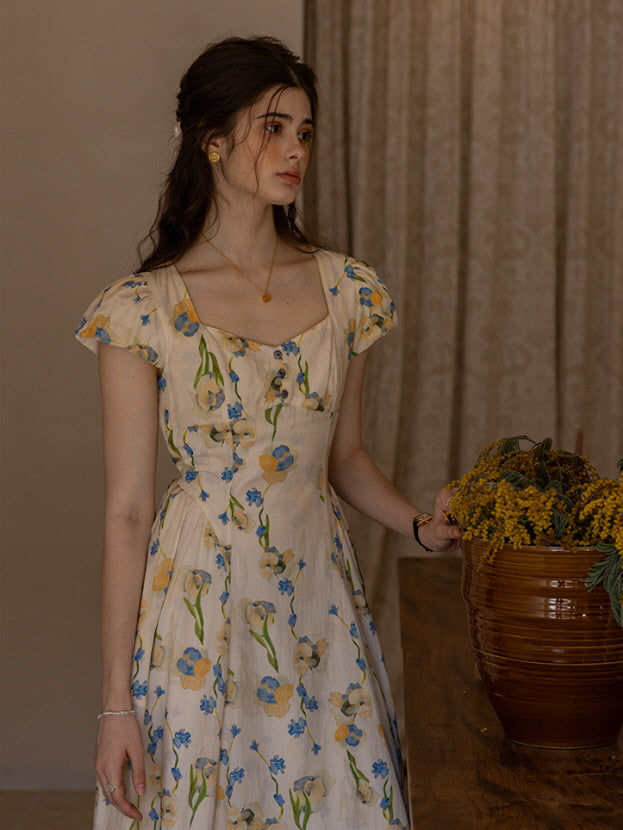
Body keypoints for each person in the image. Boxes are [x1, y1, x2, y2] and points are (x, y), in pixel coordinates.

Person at [76, 35, 460, 830]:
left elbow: (342, 459)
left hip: (315, 603)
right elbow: (126, 509)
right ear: (210, 140)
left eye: (305, 132)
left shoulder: (348, 290)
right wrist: (115, 704)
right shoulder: (140, 310)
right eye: (272, 127)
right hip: (195, 606)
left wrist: (419, 526)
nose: (294, 150)